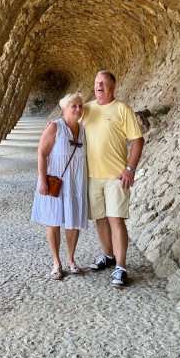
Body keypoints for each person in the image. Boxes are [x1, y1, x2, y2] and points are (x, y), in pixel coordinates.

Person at [82, 70, 144, 287]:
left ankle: (121, 266)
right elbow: (69, 123)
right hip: (92, 175)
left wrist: (130, 169)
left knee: (116, 219)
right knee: (100, 218)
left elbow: (138, 140)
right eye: (97, 82)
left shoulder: (122, 109)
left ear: (113, 87)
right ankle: (108, 256)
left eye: (104, 83)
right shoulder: (87, 109)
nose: (100, 86)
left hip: (116, 176)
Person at [32, 92, 88, 280]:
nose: (78, 109)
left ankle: (71, 260)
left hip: (76, 182)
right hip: (55, 181)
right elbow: (41, 153)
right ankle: (56, 263)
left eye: (80, 106)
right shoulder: (55, 127)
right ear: (64, 108)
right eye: (74, 106)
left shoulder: (84, 130)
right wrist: (42, 180)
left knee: (73, 223)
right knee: (53, 221)